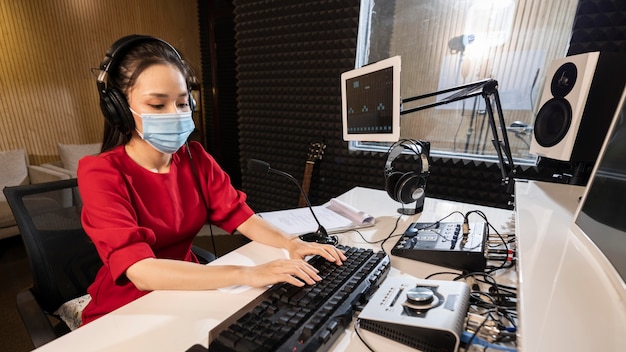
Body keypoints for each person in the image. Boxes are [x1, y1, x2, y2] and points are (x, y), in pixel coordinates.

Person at [77, 34, 346, 325]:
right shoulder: (100, 172)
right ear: (118, 109)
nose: (175, 114)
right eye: (157, 105)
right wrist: (246, 274)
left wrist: (291, 243)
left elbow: (240, 215)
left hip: (191, 289)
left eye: (182, 103)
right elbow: (141, 271)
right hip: (126, 309)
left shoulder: (195, 157)